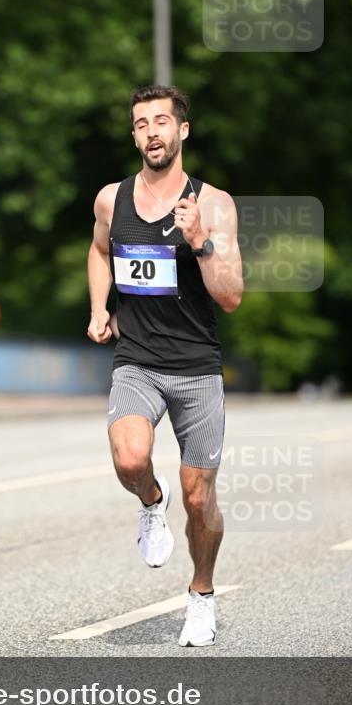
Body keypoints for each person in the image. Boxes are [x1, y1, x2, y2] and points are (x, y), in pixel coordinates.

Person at [86, 85, 243, 647]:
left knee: (200, 498)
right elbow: (101, 250)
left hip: (198, 367)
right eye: (140, 123)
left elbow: (230, 296)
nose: (151, 131)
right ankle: (152, 502)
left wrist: (200, 240)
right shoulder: (113, 199)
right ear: (133, 135)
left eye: (160, 121)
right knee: (130, 460)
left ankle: (201, 594)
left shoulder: (215, 204)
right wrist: (100, 306)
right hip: (138, 361)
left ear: (183, 130)